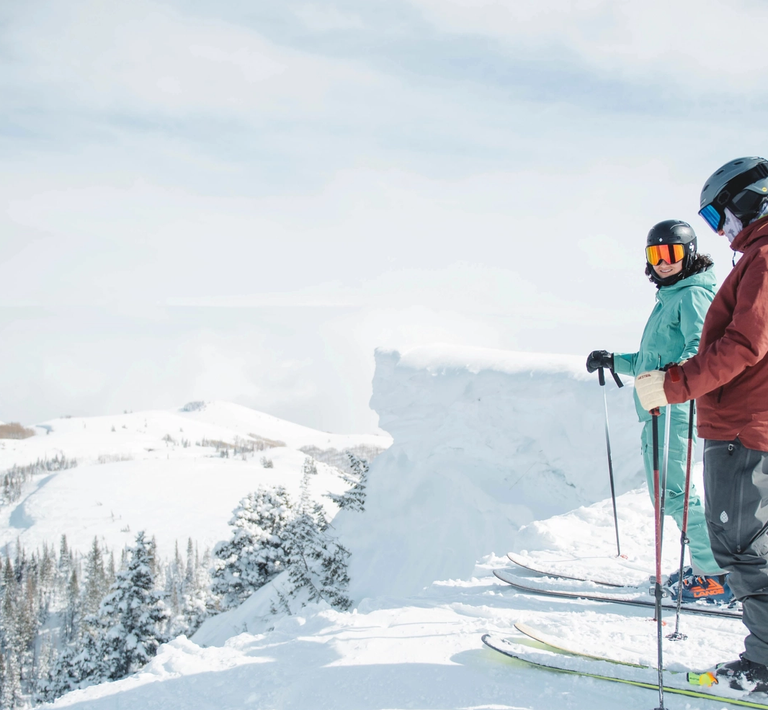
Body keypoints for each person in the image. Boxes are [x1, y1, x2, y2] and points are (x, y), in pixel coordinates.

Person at [635, 156, 768, 691]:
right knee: (750, 543)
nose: (724, 230)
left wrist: (672, 385)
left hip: (740, 427)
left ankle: (764, 662)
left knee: (740, 547)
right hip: (745, 423)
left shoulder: (763, 258)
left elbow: (741, 345)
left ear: (749, 201)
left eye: (719, 217)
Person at [587, 219, 729, 602]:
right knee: (669, 493)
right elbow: (654, 360)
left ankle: (714, 574)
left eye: (672, 253)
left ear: (690, 254)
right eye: (656, 254)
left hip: (674, 407)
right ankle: (707, 564)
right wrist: (614, 360)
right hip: (658, 406)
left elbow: (700, 350)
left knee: (674, 494)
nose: (664, 262)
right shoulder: (671, 296)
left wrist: (670, 379)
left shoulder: (692, 295)